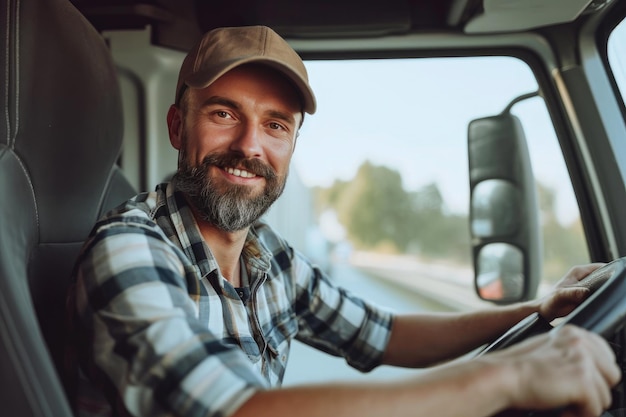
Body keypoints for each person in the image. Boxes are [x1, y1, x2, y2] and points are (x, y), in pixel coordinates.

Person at [67, 25, 620, 417]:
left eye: (276, 125)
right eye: (224, 113)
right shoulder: (129, 250)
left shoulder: (268, 255)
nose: (248, 146)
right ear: (176, 127)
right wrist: (513, 375)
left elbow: (385, 335)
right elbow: (236, 409)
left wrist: (535, 312)